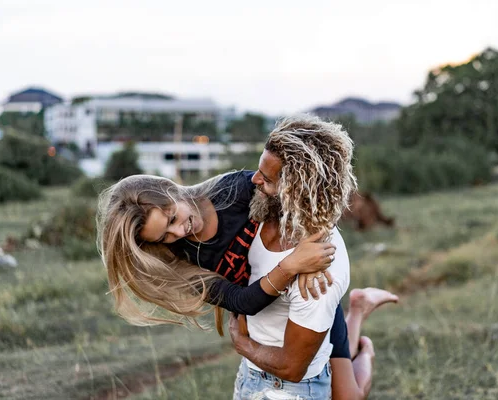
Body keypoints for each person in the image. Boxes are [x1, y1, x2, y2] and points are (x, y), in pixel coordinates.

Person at [97, 115, 398, 399]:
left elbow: (312, 198)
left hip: (301, 304)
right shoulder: (179, 256)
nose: (179, 232)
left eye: (173, 217)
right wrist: (292, 266)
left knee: (350, 396)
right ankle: (359, 308)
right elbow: (243, 303)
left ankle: (359, 319)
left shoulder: (237, 189)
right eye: (163, 236)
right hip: (264, 311)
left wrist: (309, 254)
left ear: (171, 190)